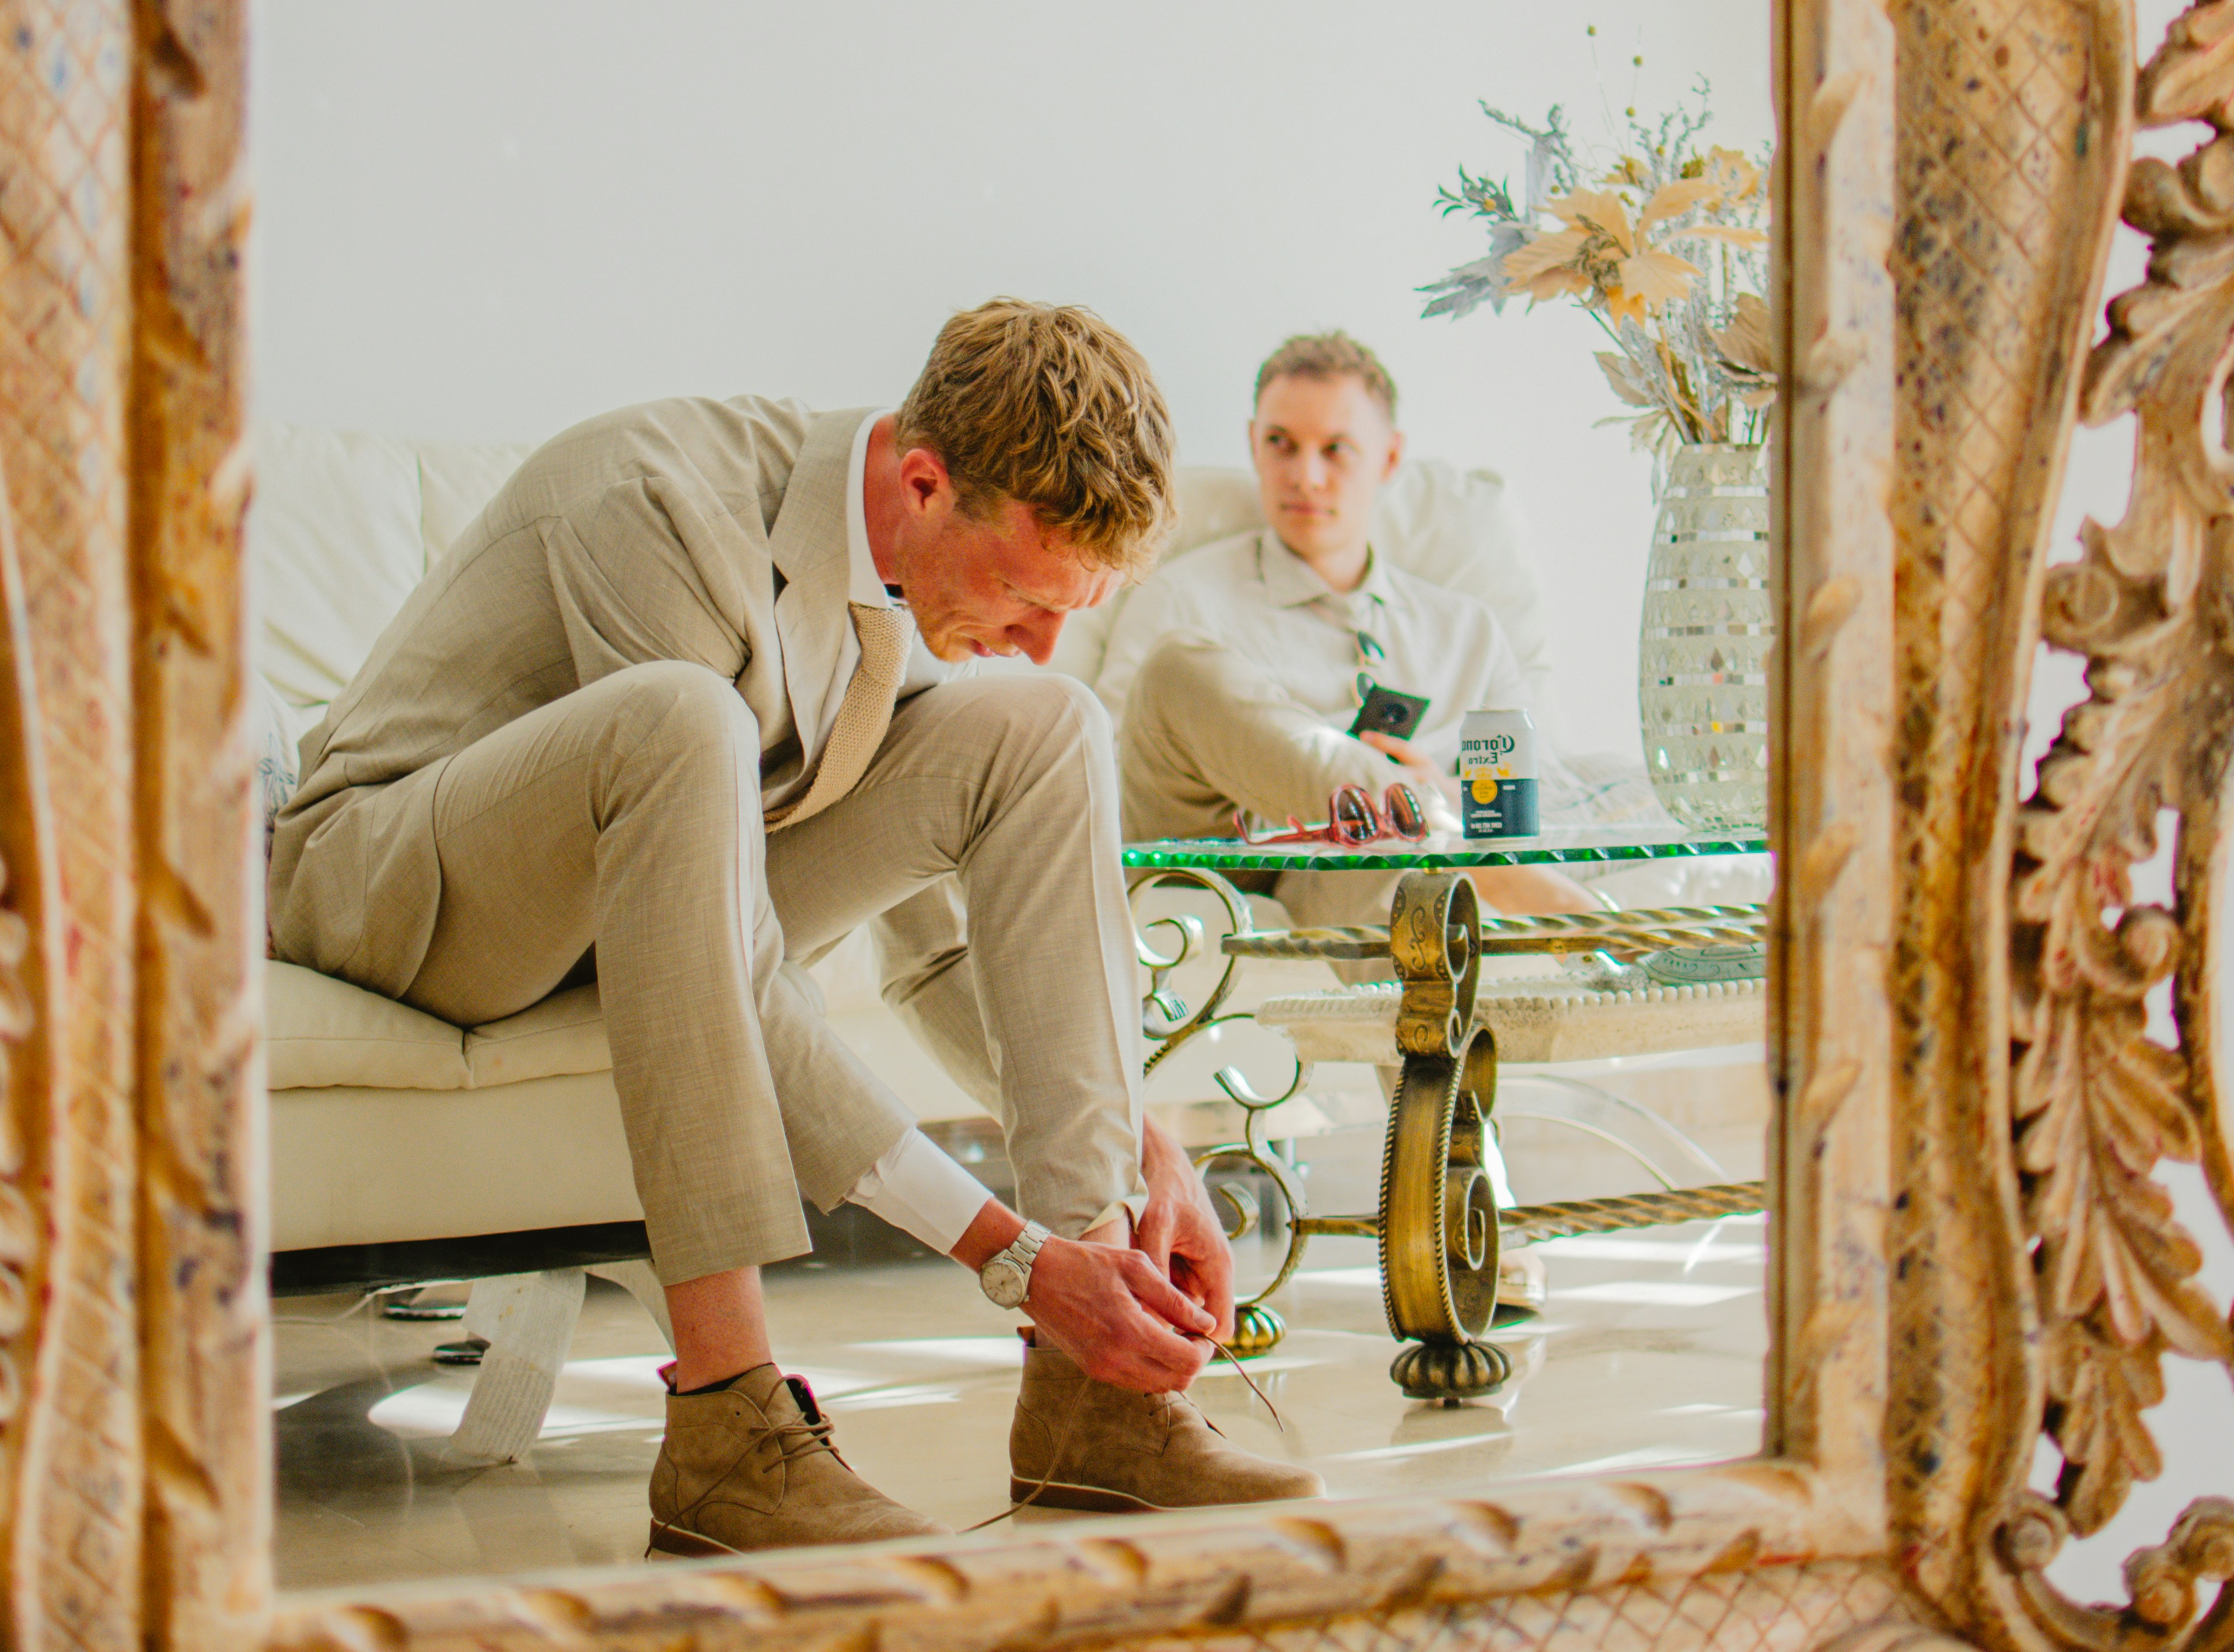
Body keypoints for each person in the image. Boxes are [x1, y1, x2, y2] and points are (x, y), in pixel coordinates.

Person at [268, 300, 1323, 1553]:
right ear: (923, 482)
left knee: (1048, 732)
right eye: (1025, 598)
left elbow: (928, 949)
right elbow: (717, 950)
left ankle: (1095, 1396)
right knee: (684, 722)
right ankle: (726, 1420)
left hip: (624, 898)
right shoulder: (654, 500)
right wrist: (1005, 1253)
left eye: (1068, 614)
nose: (1042, 641)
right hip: (395, 888)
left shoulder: (903, 585)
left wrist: (1142, 1159)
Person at [1101, 330, 1584, 914]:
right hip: (1234, 856)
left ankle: (1434, 849)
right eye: (1281, 443)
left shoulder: (1466, 629)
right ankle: (1454, 847)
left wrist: (1448, 792)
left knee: (1378, 858)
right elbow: (1110, 771)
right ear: (1253, 445)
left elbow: (1547, 799)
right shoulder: (1182, 593)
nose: (1305, 475)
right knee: (1177, 664)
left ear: (1389, 458)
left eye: (1335, 449)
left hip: (1361, 872)